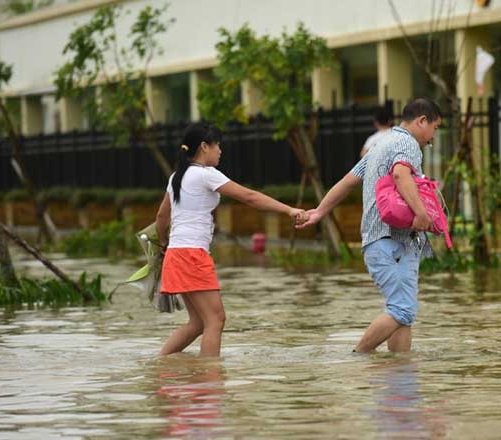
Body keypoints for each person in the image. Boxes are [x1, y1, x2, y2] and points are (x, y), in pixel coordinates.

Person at [298, 98, 442, 353]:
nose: (433, 137)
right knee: (402, 309)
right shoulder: (408, 143)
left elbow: (348, 181)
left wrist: (320, 211)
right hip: (392, 242)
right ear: (422, 121)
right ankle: (359, 356)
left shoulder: (380, 144)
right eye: (435, 128)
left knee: (402, 312)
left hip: (385, 243)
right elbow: (400, 174)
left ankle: (400, 376)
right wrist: (421, 213)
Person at [155, 122, 308, 357]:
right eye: (217, 145)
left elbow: (161, 217)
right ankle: (211, 379)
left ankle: (159, 364)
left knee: (198, 324)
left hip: (177, 254)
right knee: (215, 320)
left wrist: (165, 244)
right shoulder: (206, 174)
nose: (220, 151)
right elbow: (249, 197)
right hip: (192, 255)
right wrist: (288, 210)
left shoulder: (178, 176)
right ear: (205, 147)